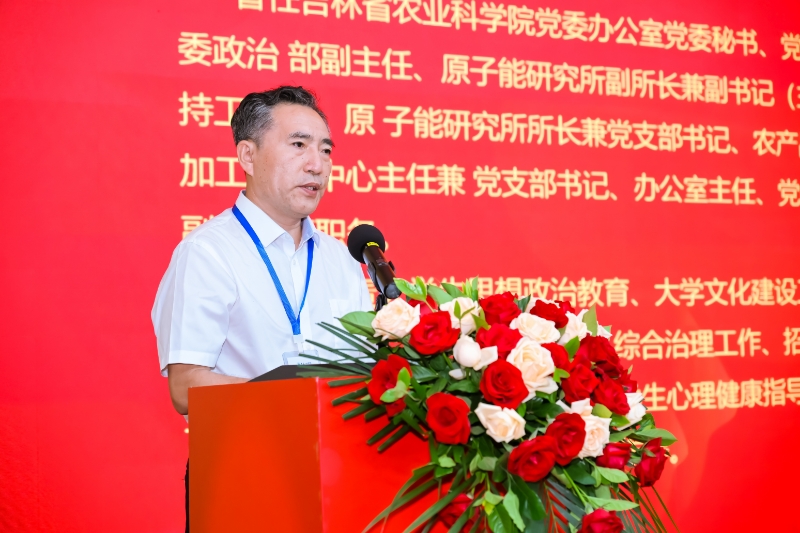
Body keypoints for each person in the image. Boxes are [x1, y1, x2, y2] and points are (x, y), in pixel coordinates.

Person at [151, 86, 372, 532]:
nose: (317, 164)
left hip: (338, 474)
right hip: (241, 471)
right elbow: (186, 385)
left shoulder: (344, 260)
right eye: (299, 145)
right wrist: (294, 403)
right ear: (247, 156)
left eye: (325, 149)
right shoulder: (208, 253)